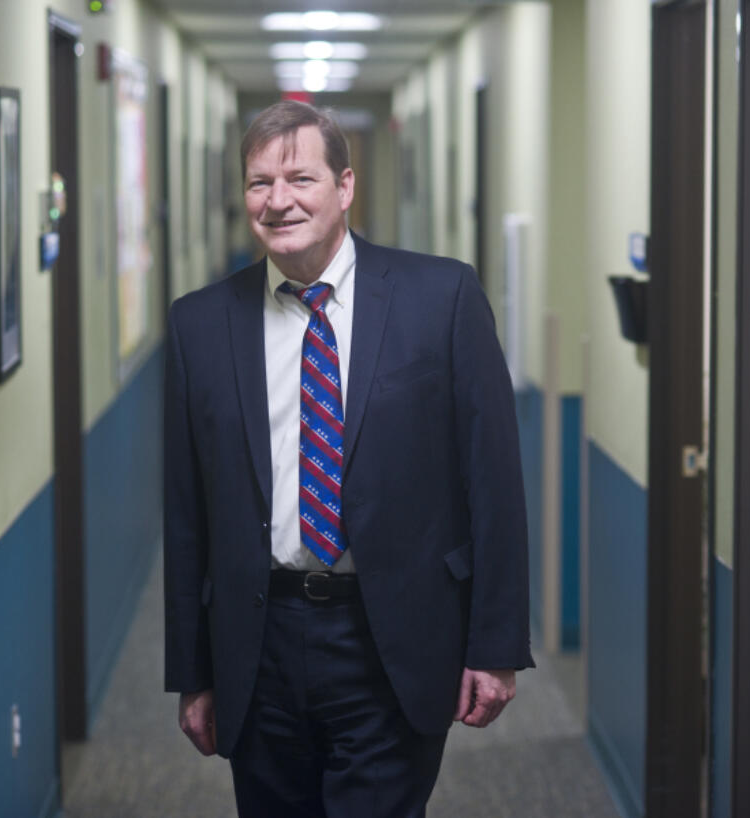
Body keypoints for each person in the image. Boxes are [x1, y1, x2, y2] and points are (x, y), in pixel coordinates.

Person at [163, 100, 533, 817]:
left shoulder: (441, 297)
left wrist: (496, 644)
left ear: (345, 186)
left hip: (392, 637)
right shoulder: (200, 324)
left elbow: (493, 480)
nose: (279, 201)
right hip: (259, 640)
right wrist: (193, 673)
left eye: (300, 178)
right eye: (259, 183)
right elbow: (186, 516)